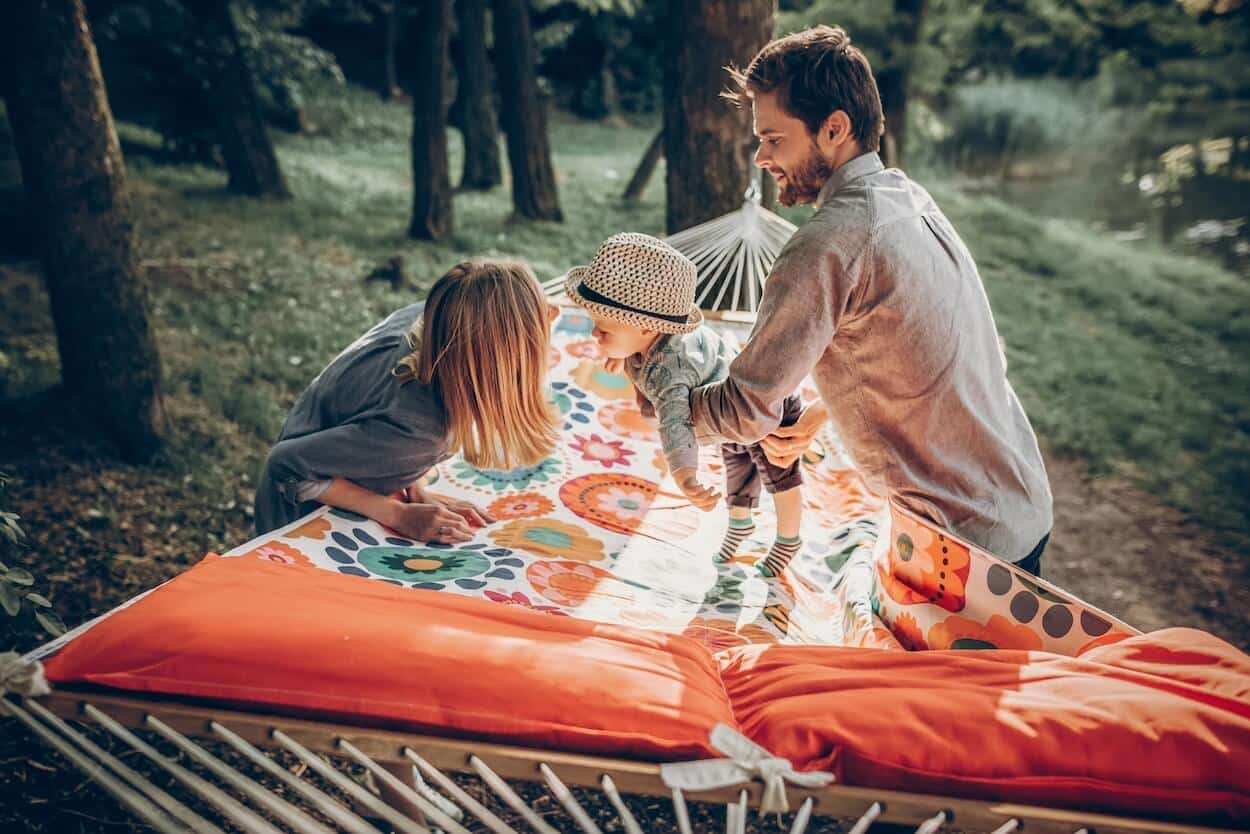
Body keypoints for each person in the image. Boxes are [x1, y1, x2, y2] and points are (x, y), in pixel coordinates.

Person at [689, 25, 1054, 575]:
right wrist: (819, 412)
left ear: (834, 128)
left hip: (964, 549)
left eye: (773, 138)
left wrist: (655, 395)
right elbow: (928, 346)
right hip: (1018, 503)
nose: (761, 157)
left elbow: (743, 410)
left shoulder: (827, 245)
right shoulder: (907, 198)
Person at [254, 259, 560, 542]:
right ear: (504, 364)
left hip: (330, 454)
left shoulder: (432, 320)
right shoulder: (423, 431)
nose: (554, 316)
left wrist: (414, 485)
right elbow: (286, 465)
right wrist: (396, 514)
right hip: (300, 524)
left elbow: (372, 413)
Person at [566, 233, 805, 577]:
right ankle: (741, 525)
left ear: (646, 328)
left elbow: (674, 421)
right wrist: (623, 356)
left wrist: (685, 476)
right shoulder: (644, 342)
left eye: (604, 331)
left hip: (767, 406)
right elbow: (637, 352)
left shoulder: (671, 369)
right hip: (730, 420)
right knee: (738, 471)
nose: (594, 336)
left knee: (780, 476)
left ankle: (788, 538)